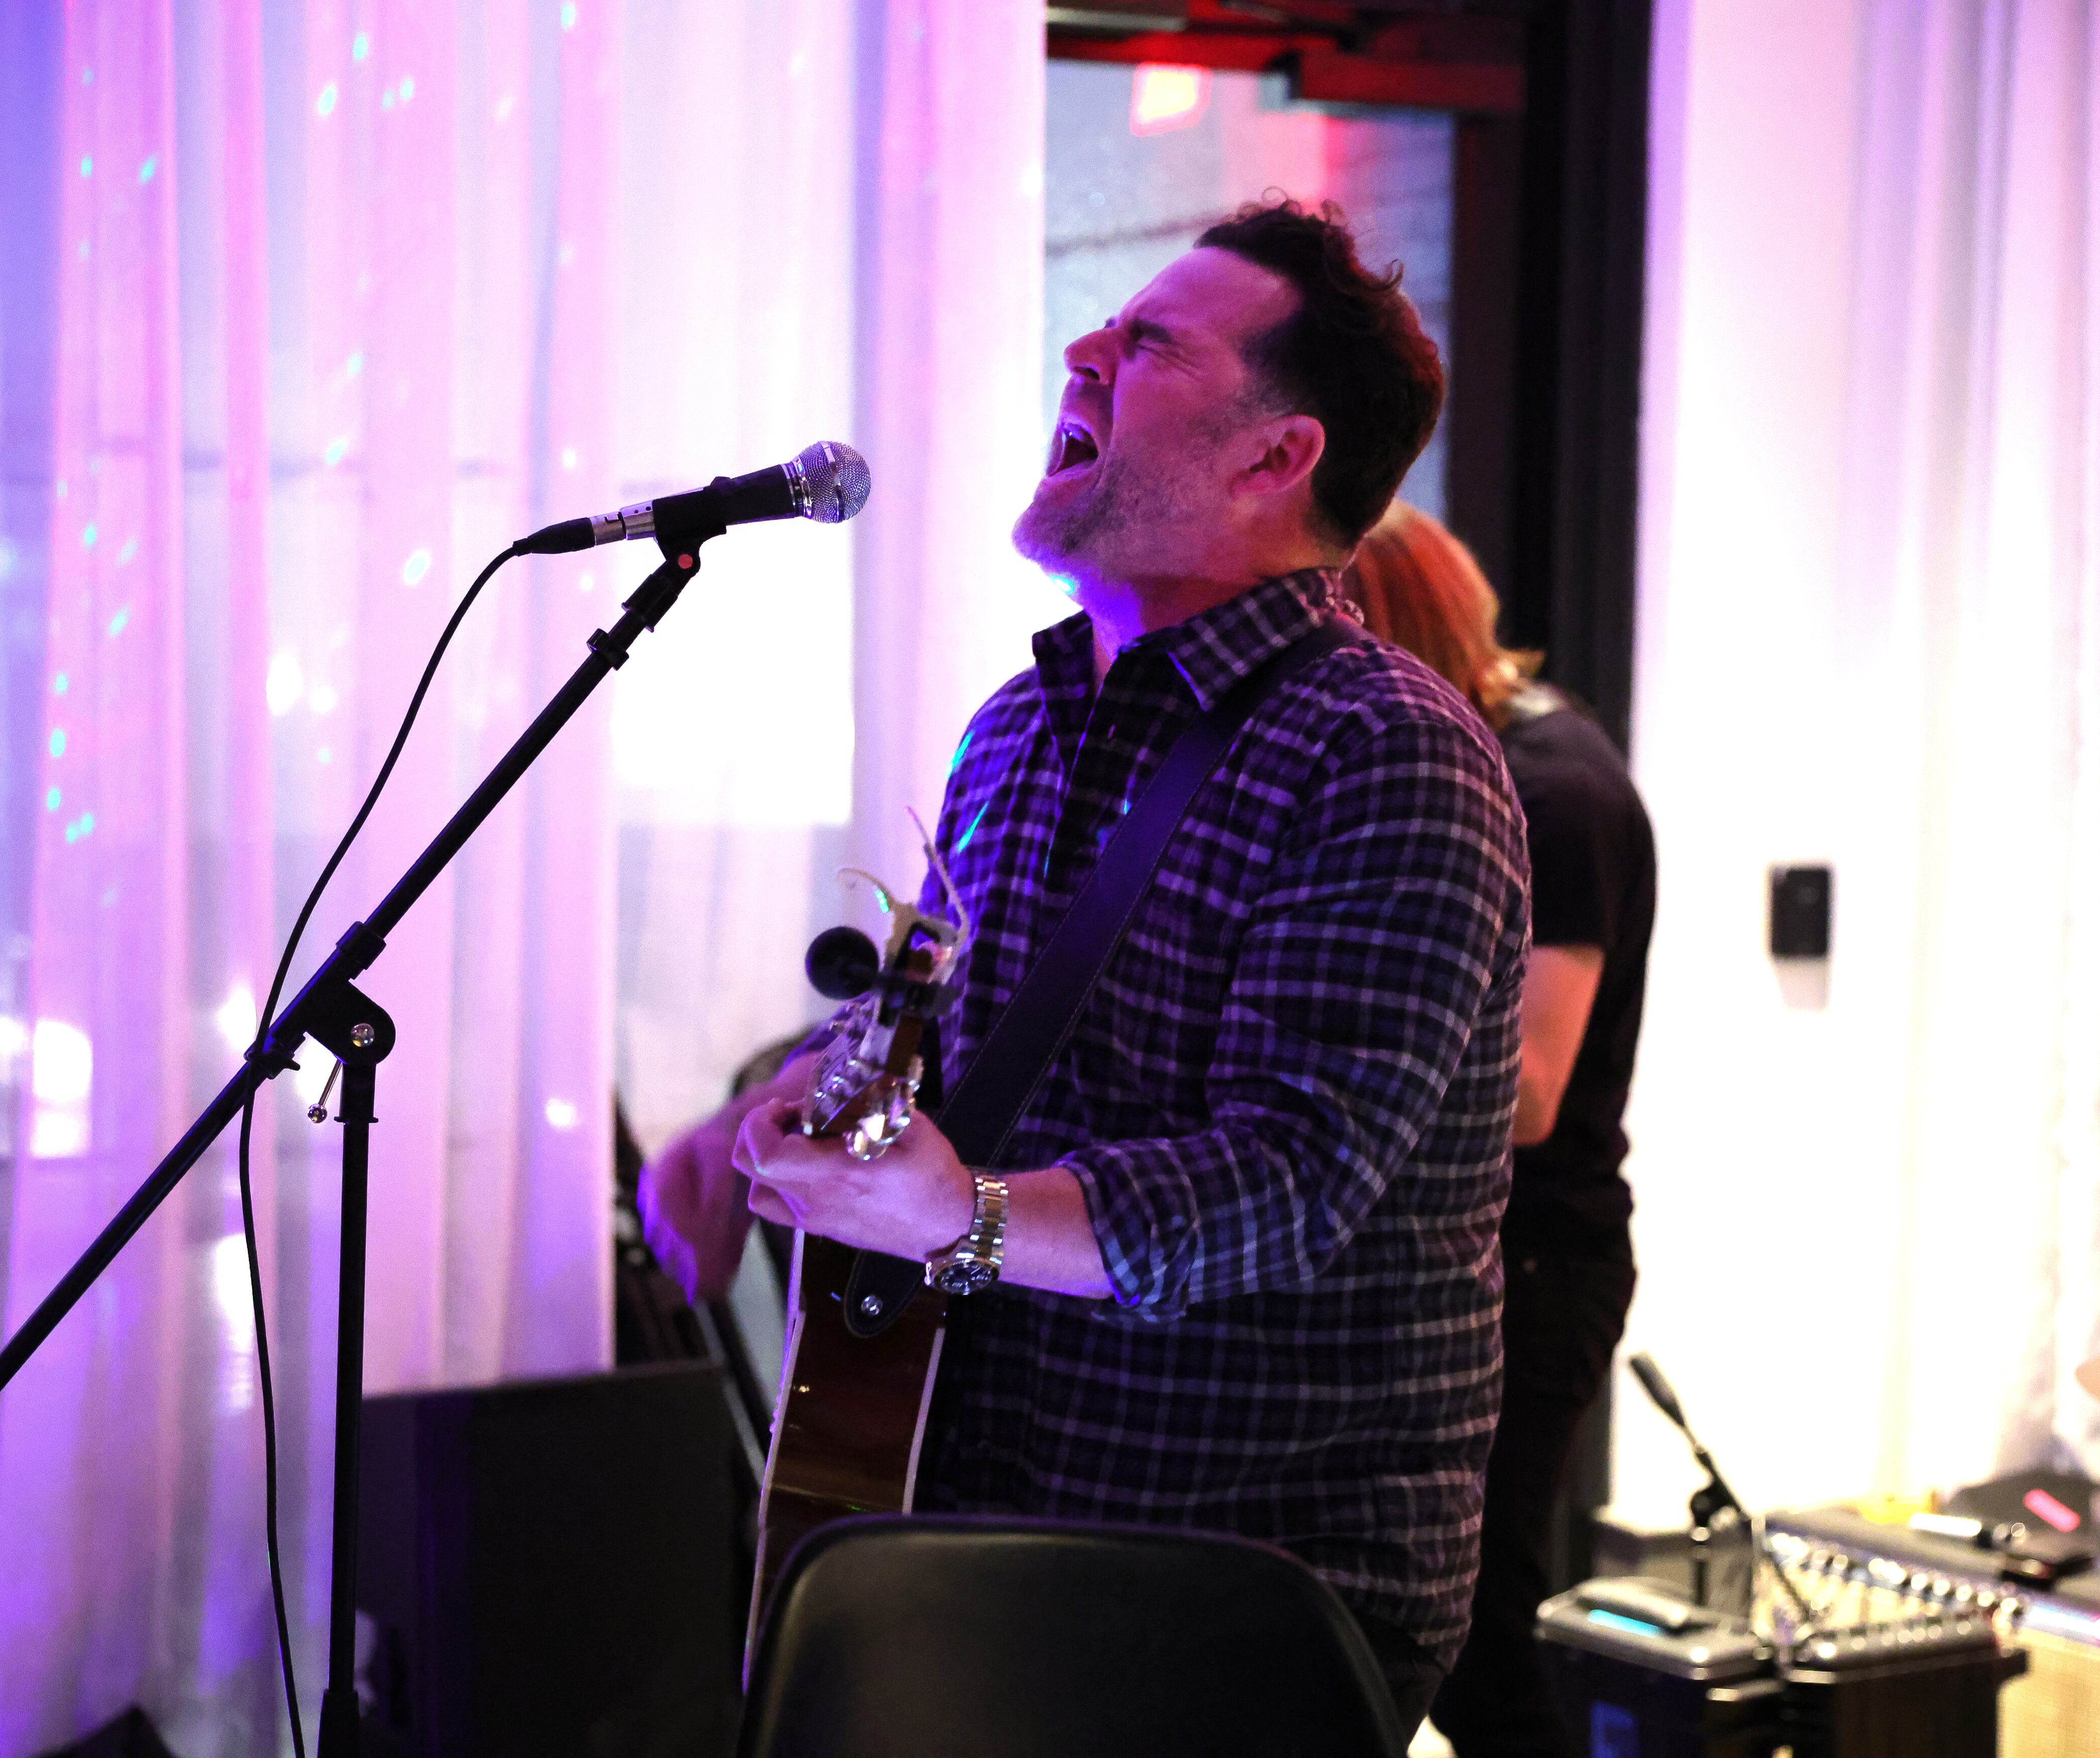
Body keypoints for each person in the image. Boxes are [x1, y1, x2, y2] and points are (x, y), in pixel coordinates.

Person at [642, 200, 1529, 1735]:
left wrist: (960, 1218)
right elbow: (947, 1031)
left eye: (1151, 342)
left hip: (1241, 1576)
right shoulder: (1018, 723)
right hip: (964, 1503)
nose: (1084, 350)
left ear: (1277, 458)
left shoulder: (1392, 751)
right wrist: (783, 1109)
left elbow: (1293, 1178)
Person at [1341, 502, 1655, 1758]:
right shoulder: (1499, 761)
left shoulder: (1555, 790)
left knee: (1476, 1646)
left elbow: (1526, 1095)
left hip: (1536, 1261)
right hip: (1480, 1256)